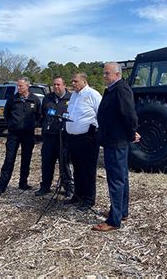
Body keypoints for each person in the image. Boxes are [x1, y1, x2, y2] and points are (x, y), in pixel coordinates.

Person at [93, 62, 140, 231]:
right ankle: (122, 211)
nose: (104, 76)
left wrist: (131, 132)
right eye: (104, 73)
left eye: (107, 73)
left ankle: (114, 220)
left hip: (116, 141)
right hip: (113, 140)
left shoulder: (120, 89)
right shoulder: (113, 89)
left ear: (117, 74)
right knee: (122, 178)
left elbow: (129, 114)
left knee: (116, 180)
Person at [0, 77, 41, 197]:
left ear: (27, 86)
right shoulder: (12, 99)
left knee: (26, 159)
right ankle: (1, 187)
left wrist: (32, 125)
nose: (18, 88)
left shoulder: (34, 99)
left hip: (28, 134)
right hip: (13, 134)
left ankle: (23, 183)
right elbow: (6, 113)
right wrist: (12, 124)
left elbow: (39, 115)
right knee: (9, 160)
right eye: (18, 86)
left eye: (21, 86)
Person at [65, 72, 102, 211]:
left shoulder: (93, 94)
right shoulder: (74, 96)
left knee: (88, 170)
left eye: (75, 81)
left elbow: (101, 114)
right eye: (72, 81)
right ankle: (78, 195)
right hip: (73, 138)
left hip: (88, 139)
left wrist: (94, 131)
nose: (73, 84)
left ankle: (89, 199)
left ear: (84, 81)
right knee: (77, 168)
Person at [35, 76, 74, 197]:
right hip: (48, 137)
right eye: (54, 85)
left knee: (64, 164)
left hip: (63, 137)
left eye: (58, 84)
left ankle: (68, 188)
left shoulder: (71, 98)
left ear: (64, 85)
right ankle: (45, 187)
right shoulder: (48, 98)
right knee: (47, 163)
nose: (56, 87)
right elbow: (42, 115)